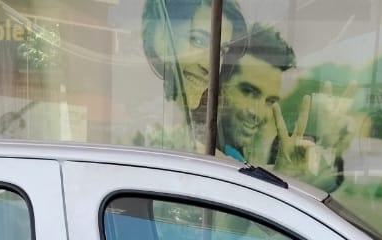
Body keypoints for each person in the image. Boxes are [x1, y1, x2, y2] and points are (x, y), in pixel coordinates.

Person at [216, 23, 359, 192]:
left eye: (270, 101)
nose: (259, 114)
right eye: (248, 92)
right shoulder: (201, 154)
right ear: (220, 86)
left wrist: (328, 144)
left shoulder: (233, 155)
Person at [141, 0, 248, 154]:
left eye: (222, 51)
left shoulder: (198, 143)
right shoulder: (139, 131)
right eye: (198, 40)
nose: (209, 66)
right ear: (161, 40)